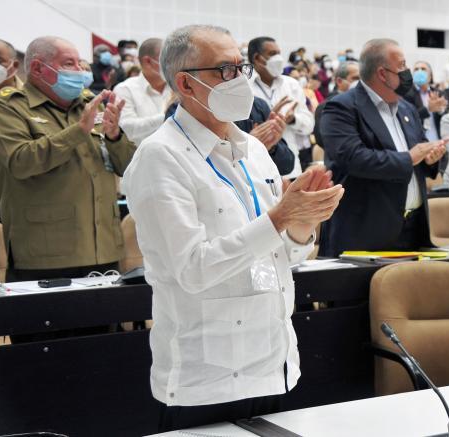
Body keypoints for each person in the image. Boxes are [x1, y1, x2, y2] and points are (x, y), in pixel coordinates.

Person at [122, 25, 343, 431]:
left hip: (274, 360)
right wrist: (279, 217)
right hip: (206, 376)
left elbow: (283, 256)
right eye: (224, 70)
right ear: (186, 84)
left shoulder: (254, 150)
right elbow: (191, 270)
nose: (238, 80)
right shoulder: (160, 158)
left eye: (239, 67)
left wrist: (302, 224)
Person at [0, 36, 135, 281]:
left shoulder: (90, 106)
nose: (80, 71)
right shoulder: (9, 108)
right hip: (46, 255)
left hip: (104, 250)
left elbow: (128, 168)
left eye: (80, 63)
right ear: (39, 68)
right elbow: (20, 162)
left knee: (106, 318)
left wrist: (115, 136)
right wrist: (78, 130)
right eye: (69, 64)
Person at [318, 38, 446, 257]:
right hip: (365, 233)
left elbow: (421, 153)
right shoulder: (340, 107)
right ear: (382, 74)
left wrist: (431, 159)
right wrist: (409, 158)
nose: (408, 73)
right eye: (402, 66)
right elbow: (353, 158)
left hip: (413, 229)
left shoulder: (407, 108)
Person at [248, 36, 314, 178]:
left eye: (279, 53)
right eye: (272, 54)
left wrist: (292, 119)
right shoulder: (245, 87)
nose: (278, 58)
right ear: (257, 58)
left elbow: (309, 126)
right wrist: (268, 119)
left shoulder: (291, 85)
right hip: (256, 169)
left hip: (289, 167)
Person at [113, 38, 172, 146]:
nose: (173, 65)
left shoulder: (177, 88)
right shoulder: (125, 89)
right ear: (148, 61)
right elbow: (126, 129)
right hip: (140, 158)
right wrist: (168, 117)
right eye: (167, 61)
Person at [313, 60, 360, 149]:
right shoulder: (328, 105)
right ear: (339, 81)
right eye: (355, 78)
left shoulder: (363, 102)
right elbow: (321, 139)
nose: (360, 83)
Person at [403, 61, 447, 141]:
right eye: (416, 69)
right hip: (418, 141)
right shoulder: (406, 94)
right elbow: (407, 118)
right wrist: (427, 109)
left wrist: (441, 110)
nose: (419, 71)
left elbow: (446, 113)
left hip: (437, 138)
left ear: (430, 76)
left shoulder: (438, 92)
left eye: (423, 69)